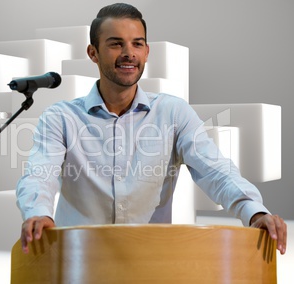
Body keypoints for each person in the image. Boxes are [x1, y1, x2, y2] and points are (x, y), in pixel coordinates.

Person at [16, 3, 287, 255]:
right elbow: (40, 174)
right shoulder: (61, 117)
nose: (128, 53)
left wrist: (255, 213)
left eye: (137, 44)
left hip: (150, 262)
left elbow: (216, 171)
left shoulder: (173, 113)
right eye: (115, 44)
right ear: (93, 53)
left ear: (147, 52)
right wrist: (38, 212)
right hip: (77, 259)